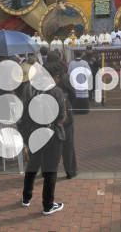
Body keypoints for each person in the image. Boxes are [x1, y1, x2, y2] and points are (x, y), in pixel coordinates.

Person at [21, 62, 66, 215]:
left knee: (32, 165)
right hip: (52, 134)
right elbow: (62, 118)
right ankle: (48, 205)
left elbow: (26, 114)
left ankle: (26, 197)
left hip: (34, 132)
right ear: (56, 76)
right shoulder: (57, 91)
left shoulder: (32, 88)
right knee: (50, 170)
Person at [67, 49, 91, 114]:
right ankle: (84, 110)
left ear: (75, 55)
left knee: (76, 96)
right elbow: (89, 73)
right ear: (81, 55)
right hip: (83, 81)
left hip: (75, 82)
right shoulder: (84, 63)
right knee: (83, 96)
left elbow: (69, 73)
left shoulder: (72, 63)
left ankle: (76, 110)